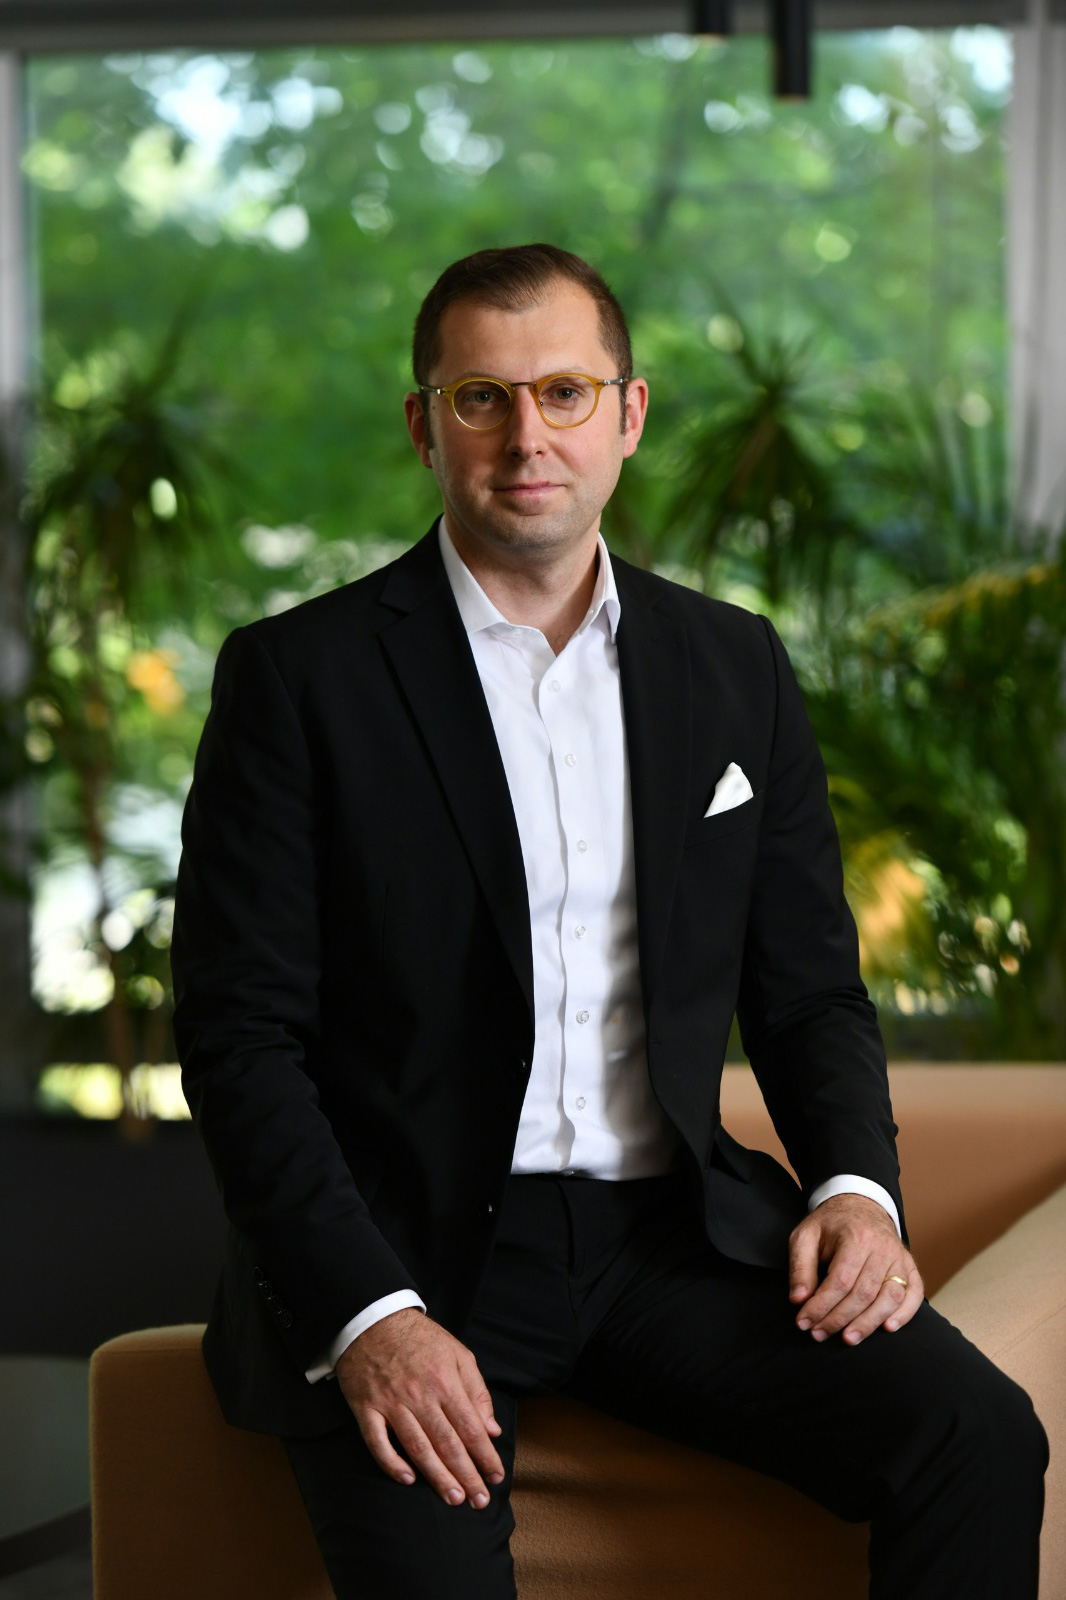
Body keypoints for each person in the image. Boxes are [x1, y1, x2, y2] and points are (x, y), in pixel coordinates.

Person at [171, 243, 1047, 1600]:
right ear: (424, 426)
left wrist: (855, 1191)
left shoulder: (733, 663)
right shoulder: (298, 678)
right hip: (414, 1252)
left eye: (565, 392)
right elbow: (241, 1039)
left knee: (975, 1437)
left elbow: (809, 990)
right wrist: (370, 1317)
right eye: (481, 397)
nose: (527, 437)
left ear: (627, 415)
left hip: (673, 1245)